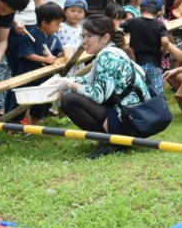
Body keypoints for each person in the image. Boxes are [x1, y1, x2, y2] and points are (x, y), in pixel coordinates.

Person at [58, 14, 152, 159]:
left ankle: (112, 141)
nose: (84, 41)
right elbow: (88, 80)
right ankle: (112, 139)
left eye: (89, 36)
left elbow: (97, 95)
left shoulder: (107, 56)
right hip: (139, 118)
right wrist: (64, 81)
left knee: (70, 101)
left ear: (105, 38)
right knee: (73, 95)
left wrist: (71, 84)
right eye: (83, 36)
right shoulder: (113, 51)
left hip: (130, 120)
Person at [9, 2, 65, 124]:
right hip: (27, 74)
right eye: (56, 24)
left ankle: (36, 119)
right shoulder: (30, 35)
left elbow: (57, 52)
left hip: (44, 75)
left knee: (41, 99)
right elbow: (27, 54)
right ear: (44, 22)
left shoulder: (53, 38)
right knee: (22, 100)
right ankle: (14, 122)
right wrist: (44, 59)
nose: (58, 27)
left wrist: (63, 54)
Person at [121, 0, 169, 97]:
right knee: (156, 88)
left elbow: (118, 30)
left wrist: (124, 45)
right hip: (154, 62)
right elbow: (165, 41)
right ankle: (158, 106)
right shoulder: (159, 24)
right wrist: (163, 52)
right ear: (159, 13)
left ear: (140, 9)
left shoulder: (133, 22)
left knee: (138, 86)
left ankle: (141, 108)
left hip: (137, 61)